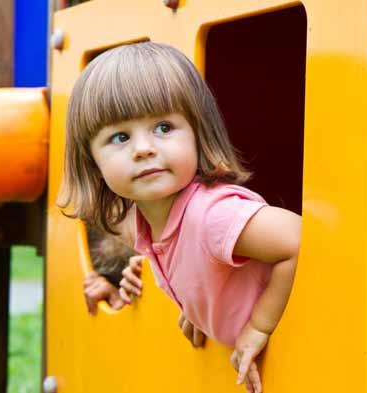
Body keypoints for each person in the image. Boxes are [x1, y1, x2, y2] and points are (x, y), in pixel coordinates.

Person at [57, 42, 301, 393]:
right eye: (120, 137)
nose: (144, 148)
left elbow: (300, 242)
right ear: (92, 163)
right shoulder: (146, 226)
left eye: (163, 128)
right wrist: (199, 306)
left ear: (198, 134)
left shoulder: (211, 215)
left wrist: (260, 325)